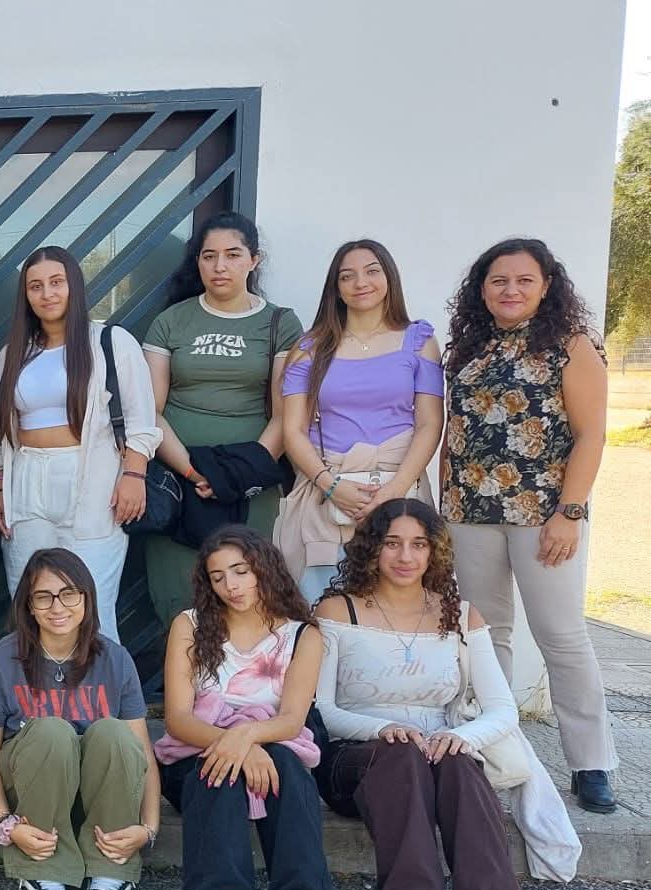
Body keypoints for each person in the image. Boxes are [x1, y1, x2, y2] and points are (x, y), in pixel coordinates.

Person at [314, 499, 529, 890]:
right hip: (355, 759)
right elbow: (321, 709)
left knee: (459, 762)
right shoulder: (338, 610)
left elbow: (502, 709)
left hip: (435, 752)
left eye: (418, 544)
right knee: (401, 754)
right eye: (392, 543)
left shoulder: (462, 616)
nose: (406, 556)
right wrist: (382, 730)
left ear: (435, 552)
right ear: (372, 548)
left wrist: (458, 736)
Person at [442, 238, 618, 814]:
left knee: (561, 635)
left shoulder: (572, 345)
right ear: (482, 289)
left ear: (546, 286)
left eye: (524, 280)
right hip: (469, 511)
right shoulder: (467, 348)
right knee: (484, 635)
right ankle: (496, 747)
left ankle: (591, 763)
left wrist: (570, 513)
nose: (510, 290)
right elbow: (453, 433)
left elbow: (591, 435)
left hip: (543, 514)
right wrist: (443, 506)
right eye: (499, 280)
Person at [156, 528, 336, 890]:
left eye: (240, 571)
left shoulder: (303, 635)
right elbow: (178, 719)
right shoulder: (190, 625)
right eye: (218, 577)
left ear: (264, 568)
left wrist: (245, 738)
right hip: (194, 752)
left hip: (273, 750)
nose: (230, 586)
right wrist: (234, 745)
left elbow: (291, 719)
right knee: (220, 770)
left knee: (288, 768)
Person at [0, 547, 157, 890]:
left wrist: (148, 830)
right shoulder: (0, 660)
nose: (57, 607)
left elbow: (143, 756)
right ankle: (41, 868)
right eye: (43, 596)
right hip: (32, 793)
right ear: (28, 605)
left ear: (87, 598)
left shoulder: (116, 659)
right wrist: (6, 823)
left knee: (113, 731)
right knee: (52, 729)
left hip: (99, 794)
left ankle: (111, 868)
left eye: (69, 594)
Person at [0, 247, 156, 642]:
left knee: (92, 606)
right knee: (30, 604)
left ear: (74, 286)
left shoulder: (110, 342)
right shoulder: (12, 355)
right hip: (26, 480)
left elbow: (141, 418)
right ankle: (36, 684)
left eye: (56, 282)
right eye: (35, 286)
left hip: (93, 481)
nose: (47, 293)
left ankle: (100, 685)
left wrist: (134, 475)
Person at [142, 211, 303, 623]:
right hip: (179, 483)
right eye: (209, 256)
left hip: (251, 486)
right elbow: (148, 410)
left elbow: (286, 413)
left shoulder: (280, 323)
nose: (219, 266)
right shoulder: (171, 321)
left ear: (254, 260)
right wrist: (195, 472)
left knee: (248, 592)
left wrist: (236, 476)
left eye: (232, 255)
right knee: (181, 600)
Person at [275, 240, 445, 602]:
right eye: (347, 276)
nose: (360, 282)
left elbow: (430, 424)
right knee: (322, 603)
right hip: (327, 492)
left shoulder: (419, 342)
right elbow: (293, 430)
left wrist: (396, 488)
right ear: (335, 288)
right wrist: (331, 485)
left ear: (389, 277)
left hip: (401, 488)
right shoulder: (309, 349)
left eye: (371, 271)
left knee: (402, 601)